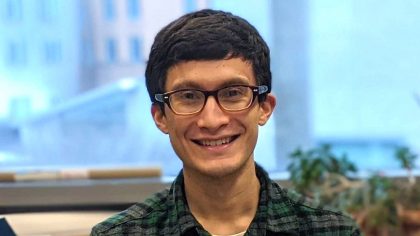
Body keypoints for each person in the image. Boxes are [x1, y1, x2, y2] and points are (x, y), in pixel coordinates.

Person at [91, 9, 361, 236]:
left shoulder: (332, 230)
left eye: (232, 93)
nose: (212, 120)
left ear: (264, 108)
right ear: (160, 116)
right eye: (188, 96)